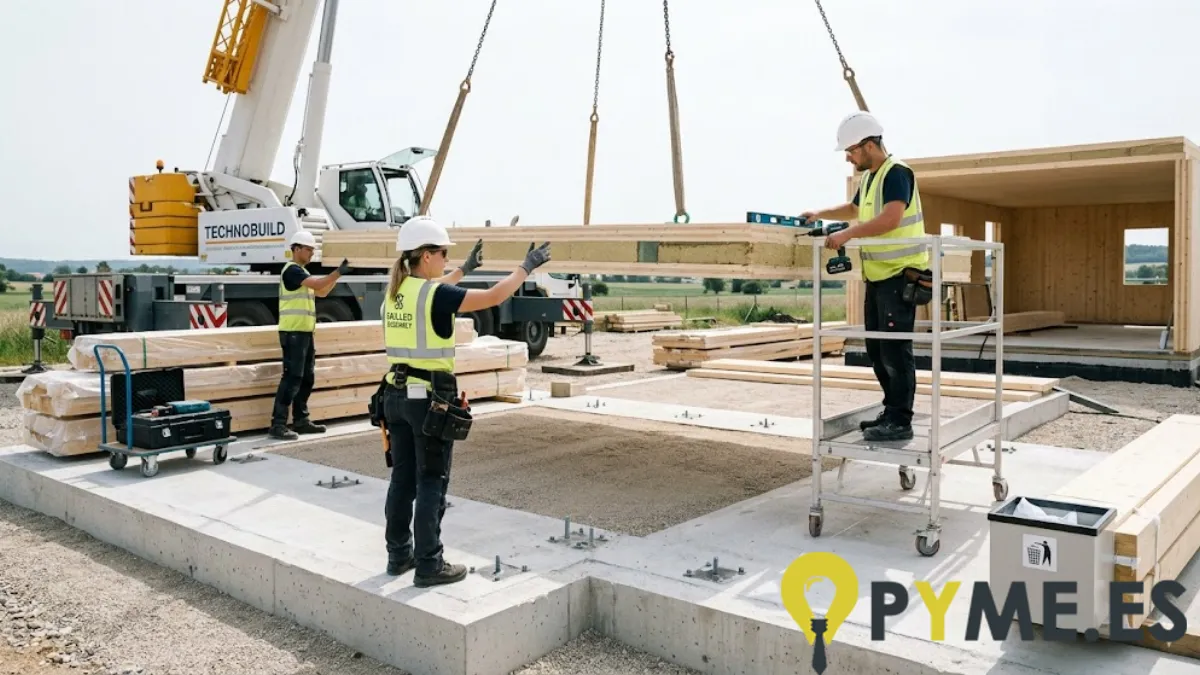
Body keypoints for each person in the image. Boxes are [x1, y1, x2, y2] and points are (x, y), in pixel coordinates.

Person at [381, 215, 550, 586]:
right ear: (426, 255)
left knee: (403, 480)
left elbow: (435, 289)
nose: (444, 260)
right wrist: (526, 267)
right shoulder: (433, 294)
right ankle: (429, 565)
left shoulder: (395, 292)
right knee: (431, 480)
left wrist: (462, 270)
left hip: (394, 395)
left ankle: (399, 556)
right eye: (442, 253)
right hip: (427, 399)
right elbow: (492, 297)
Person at [802, 111, 930, 442]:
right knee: (877, 349)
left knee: (895, 351)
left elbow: (890, 219)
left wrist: (847, 235)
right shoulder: (872, 176)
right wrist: (820, 213)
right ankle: (891, 412)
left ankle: (901, 420)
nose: (847, 157)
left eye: (851, 151)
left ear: (869, 145)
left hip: (901, 276)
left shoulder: (897, 172)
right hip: (879, 278)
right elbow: (855, 208)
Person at [269, 230, 351, 441]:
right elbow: (317, 284)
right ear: (296, 249)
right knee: (292, 377)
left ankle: (301, 420)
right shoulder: (292, 271)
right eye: (308, 249)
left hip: (304, 333)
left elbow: (322, 291)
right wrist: (337, 272)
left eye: (313, 250)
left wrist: (338, 275)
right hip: (293, 332)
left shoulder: (302, 274)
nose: (312, 253)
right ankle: (278, 424)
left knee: (307, 377)